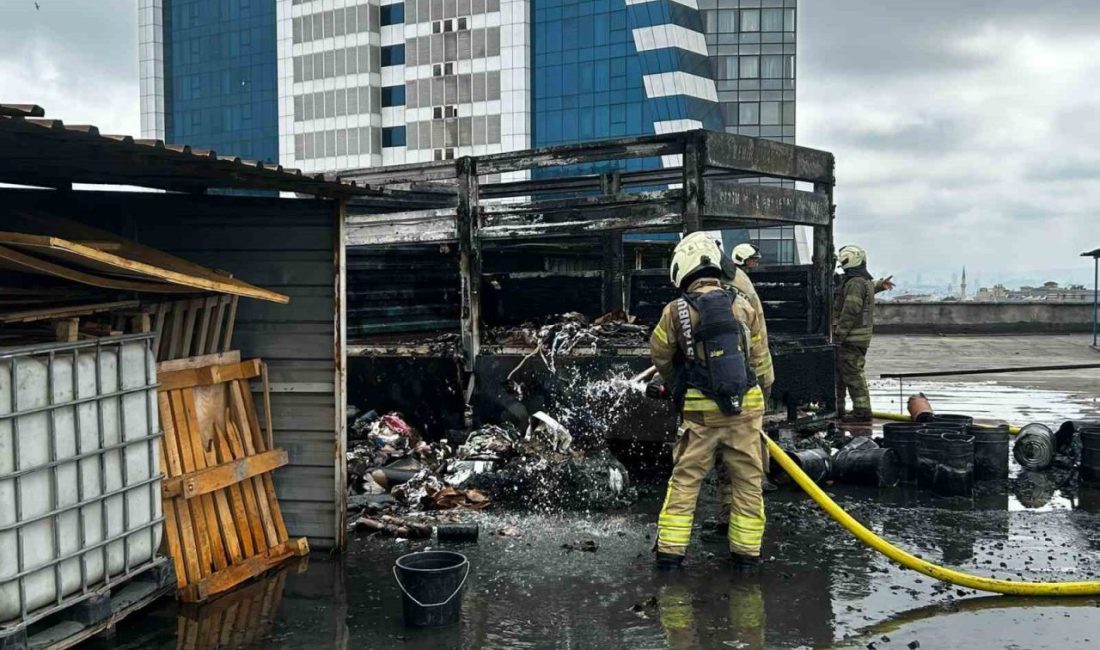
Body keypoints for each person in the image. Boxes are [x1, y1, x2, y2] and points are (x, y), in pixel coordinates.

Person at [649, 234, 769, 569]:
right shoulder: (743, 304)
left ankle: (670, 555)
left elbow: (660, 355)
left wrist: (677, 384)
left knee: (686, 481)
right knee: (748, 483)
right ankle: (746, 557)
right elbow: (759, 359)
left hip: (701, 412)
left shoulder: (675, 311)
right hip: (746, 407)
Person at [833, 244, 891, 423]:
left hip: (851, 338)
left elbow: (850, 311)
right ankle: (840, 409)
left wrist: (838, 335)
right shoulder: (862, 280)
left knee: (852, 375)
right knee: (843, 374)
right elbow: (869, 288)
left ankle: (862, 411)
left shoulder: (855, 283)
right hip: (858, 338)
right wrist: (880, 284)